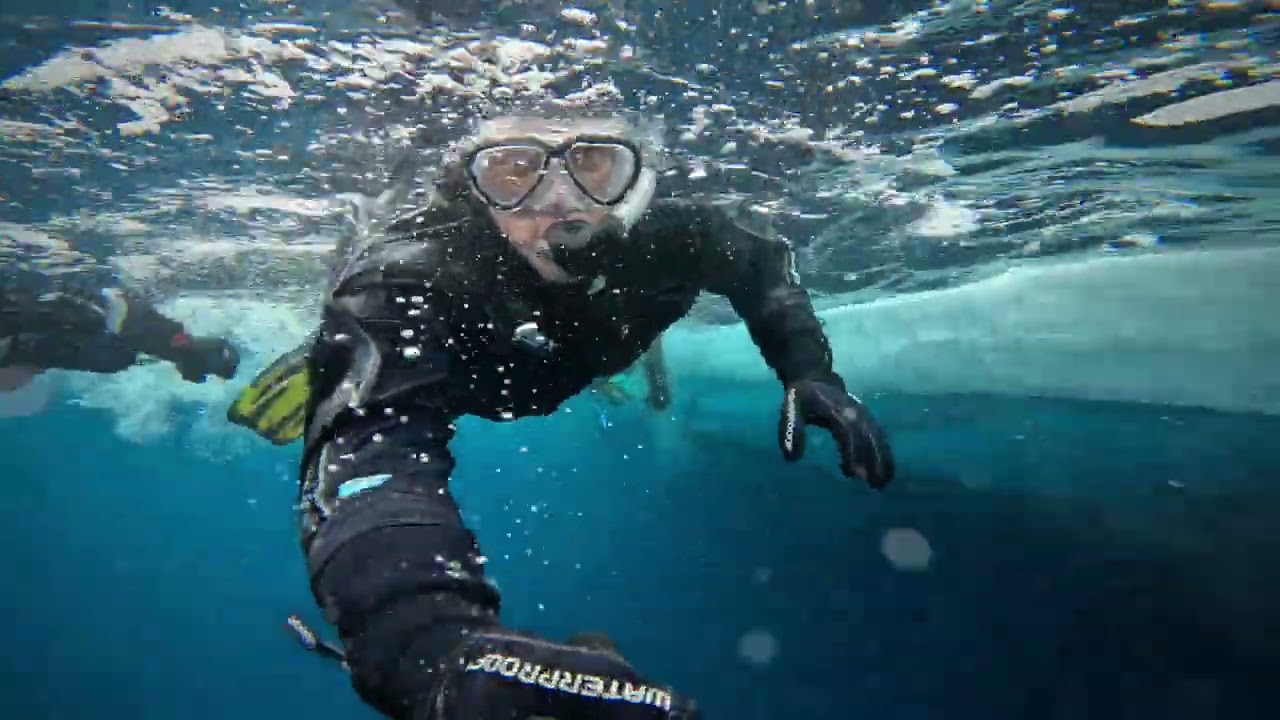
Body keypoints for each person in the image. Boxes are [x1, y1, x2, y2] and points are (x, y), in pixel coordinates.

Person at [291, 98, 896, 720]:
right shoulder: (411, 274)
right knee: (361, 363)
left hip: (589, 345)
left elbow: (760, 263)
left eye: (595, 165)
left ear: (637, 181)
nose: (558, 201)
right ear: (471, 188)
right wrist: (420, 637)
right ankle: (335, 360)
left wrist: (807, 371)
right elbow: (375, 448)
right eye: (513, 171)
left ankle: (626, 348)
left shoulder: (681, 230)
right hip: (477, 374)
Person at [0, 283, 239, 388]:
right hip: (53, 321)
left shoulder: (136, 349)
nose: (199, 379)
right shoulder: (124, 351)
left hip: (53, 325)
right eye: (206, 372)